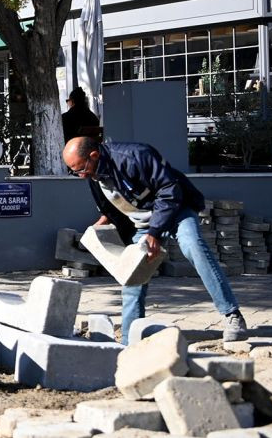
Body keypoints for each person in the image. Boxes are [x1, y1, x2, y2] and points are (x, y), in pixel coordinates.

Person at [63, 136, 248, 343]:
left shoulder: (136, 156)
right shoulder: (94, 175)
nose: (79, 175)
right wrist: (103, 222)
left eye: (79, 169)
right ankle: (129, 339)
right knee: (132, 276)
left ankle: (232, 315)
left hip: (176, 211)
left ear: (94, 155)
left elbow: (169, 190)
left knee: (193, 246)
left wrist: (155, 233)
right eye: (74, 171)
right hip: (143, 226)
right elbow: (111, 204)